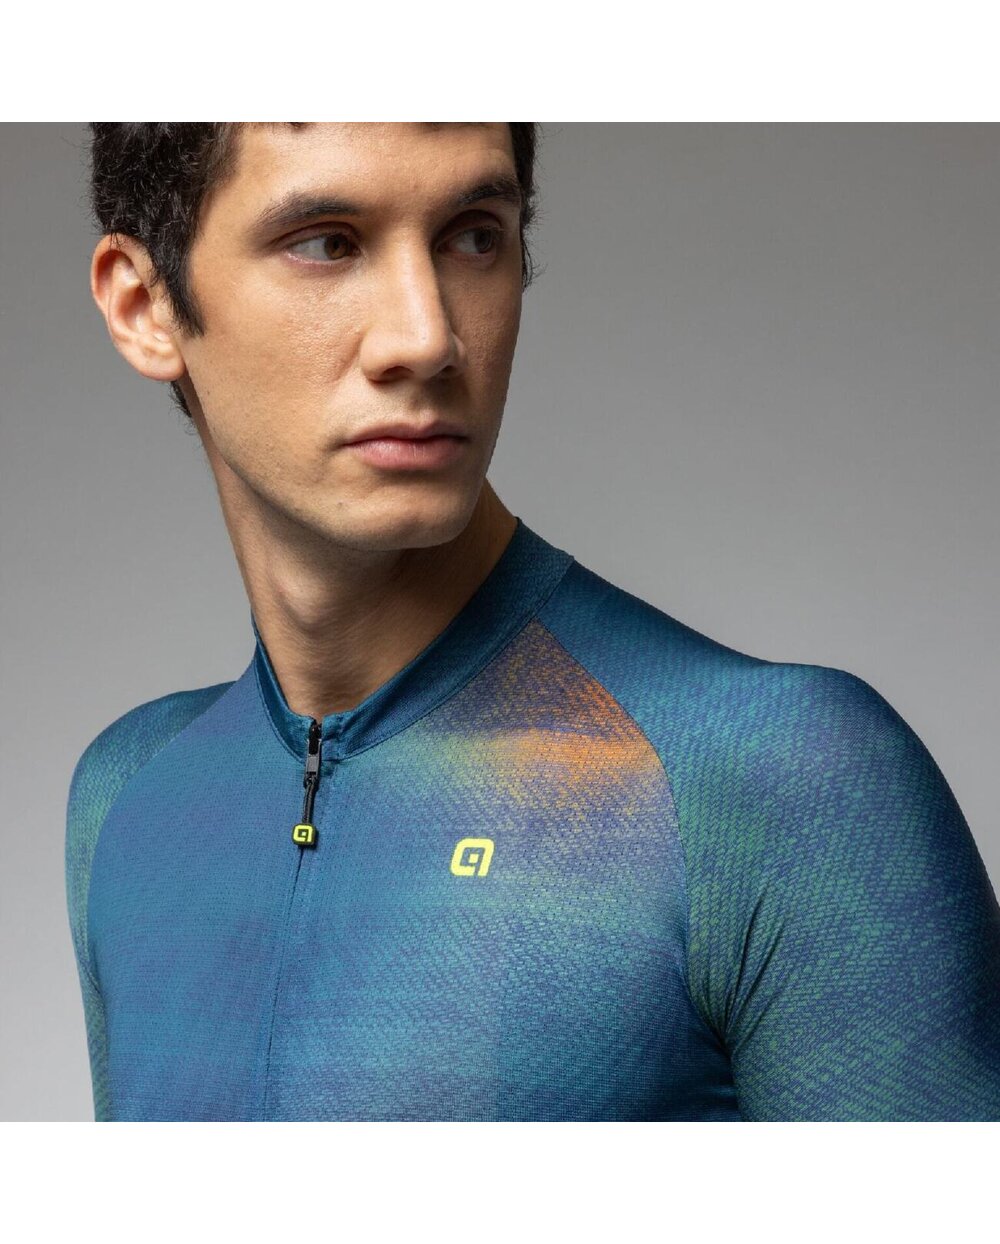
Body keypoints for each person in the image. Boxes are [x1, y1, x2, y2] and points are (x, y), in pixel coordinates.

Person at [69, 122, 1000, 1122]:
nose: (427, 336)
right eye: (328, 243)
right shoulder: (131, 799)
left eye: (473, 234)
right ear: (145, 305)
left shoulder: (781, 783)